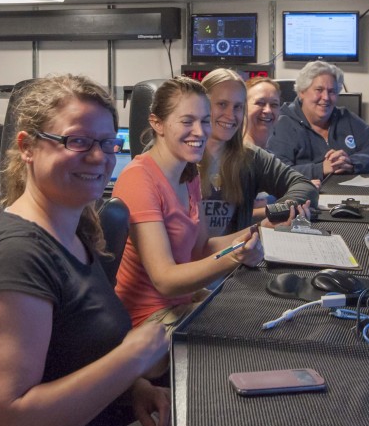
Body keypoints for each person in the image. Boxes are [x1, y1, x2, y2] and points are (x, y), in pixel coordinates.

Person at [0, 74, 170, 426]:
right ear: (27, 147)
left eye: (107, 143)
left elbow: (70, 355)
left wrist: (132, 389)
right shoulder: (16, 256)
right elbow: (6, 423)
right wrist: (131, 360)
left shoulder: (76, 234)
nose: (99, 157)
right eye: (78, 141)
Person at [112, 76, 267, 329]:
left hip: (178, 304)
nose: (200, 131)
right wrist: (234, 257)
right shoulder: (138, 179)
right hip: (148, 321)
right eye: (187, 121)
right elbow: (165, 280)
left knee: (258, 314)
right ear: (157, 124)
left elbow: (201, 248)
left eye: (205, 121)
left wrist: (262, 232)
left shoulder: (189, 174)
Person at [199, 68, 318, 230]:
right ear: (201, 105)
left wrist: (275, 212)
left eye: (238, 107)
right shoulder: (180, 153)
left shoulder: (249, 156)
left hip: (238, 251)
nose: (230, 115)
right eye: (222, 104)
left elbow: (305, 187)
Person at [267, 60, 369, 181]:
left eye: (332, 91)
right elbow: (277, 172)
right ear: (302, 92)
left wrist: (351, 162)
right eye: (319, 90)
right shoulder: (282, 122)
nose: (326, 97)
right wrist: (321, 168)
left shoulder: (346, 117)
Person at [243, 76, 281, 149]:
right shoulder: (237, 153)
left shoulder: (276, 150)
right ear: (243, 106)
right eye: (260, 103)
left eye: (274, 105)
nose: (268, 110)